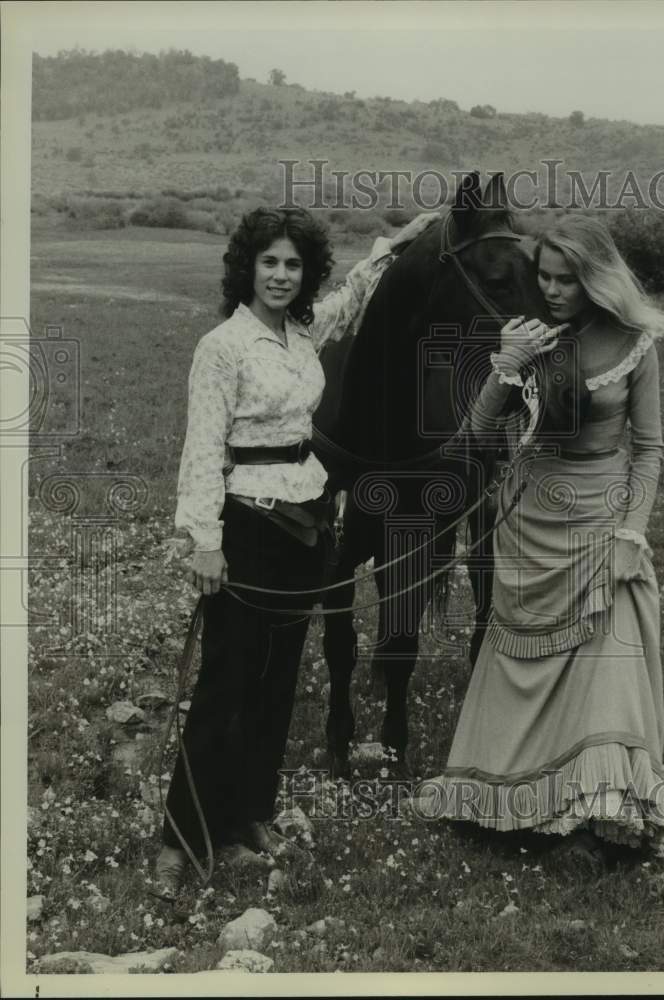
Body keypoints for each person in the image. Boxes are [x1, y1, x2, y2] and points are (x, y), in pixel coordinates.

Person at [153, 206, 439, 898]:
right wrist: (203, 543)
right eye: (270, 262)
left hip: (307, 525)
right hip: (247, 526)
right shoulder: (222, 347)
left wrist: (397, 243)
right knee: (226, 683)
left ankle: (251, 813)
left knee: (278, 680)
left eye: (294, 265)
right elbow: (202, 450)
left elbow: (357, 290)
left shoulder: (302, 334)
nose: (282, 276)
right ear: (247, 267)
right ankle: (182, 838)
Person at [429, 214, 664, 864]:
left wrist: (633, 530)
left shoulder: (636, 342)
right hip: (529, 523)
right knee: (522, 659)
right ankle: (511, 799)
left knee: (606, 666)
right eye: (543, 276)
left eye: (565, 278)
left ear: (594, 276)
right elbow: (472, 441)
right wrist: (506, 365)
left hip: (603, 522)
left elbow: (649, 449)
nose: (552, 289)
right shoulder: (538, 337)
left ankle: (596, 810)